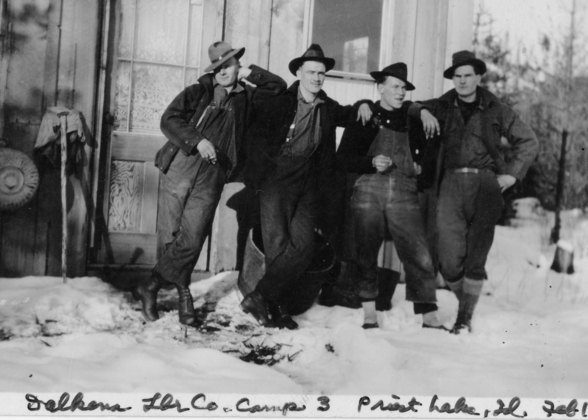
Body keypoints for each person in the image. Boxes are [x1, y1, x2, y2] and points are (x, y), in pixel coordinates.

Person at [133, 42, 287, 325]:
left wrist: (252, 74)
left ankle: (151, 286)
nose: (224, 71)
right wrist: (199, 140)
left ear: (238, 67)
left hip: (212, 176)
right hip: (181, 166)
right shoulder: (198, 91)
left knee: (193, 238)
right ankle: (184, 294)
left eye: (230, 65)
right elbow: (169, 119)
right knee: (172, 236)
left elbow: (277, 87)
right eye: (219, 67)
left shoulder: (247, 97)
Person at [240, 44, 372, 329]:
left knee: (303, 246)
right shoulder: (281, 101)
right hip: (277, 178)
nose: (317, 78)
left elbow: (351, 114)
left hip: (309, 182)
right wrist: (263, 174)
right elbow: (256, 137)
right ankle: (279, 309)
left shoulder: (327, 106)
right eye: (311, 72)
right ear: (299, 72)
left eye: (322, 73)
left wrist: (365, 102)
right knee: (277, 245)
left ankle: (260, 295)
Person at [412, 50, 538, 334]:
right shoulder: (442, 106)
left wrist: (510, 175)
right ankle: (468, 297)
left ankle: (464, 317)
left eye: (468, 75)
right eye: (457, 76)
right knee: (448, 257)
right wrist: (422, 111)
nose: (463, 81)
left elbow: (528, 141)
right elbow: (410, 106)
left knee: (477, 254)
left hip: (485, 185)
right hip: (451, 184)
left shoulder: (497, 109)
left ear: (479, 76)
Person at [335, 63, 445, 330]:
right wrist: (371, 162)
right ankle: (370, 313)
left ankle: (429, 315)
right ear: (380, 87)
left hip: (404, 190)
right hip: (369, 188)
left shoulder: (413, 120)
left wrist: (421, 168)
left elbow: (430, 155)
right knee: (366, 248)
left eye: (403, 88)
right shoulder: (365, 116)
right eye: (395, 86)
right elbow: (343, 159)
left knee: (418, 251)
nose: (400, 92)